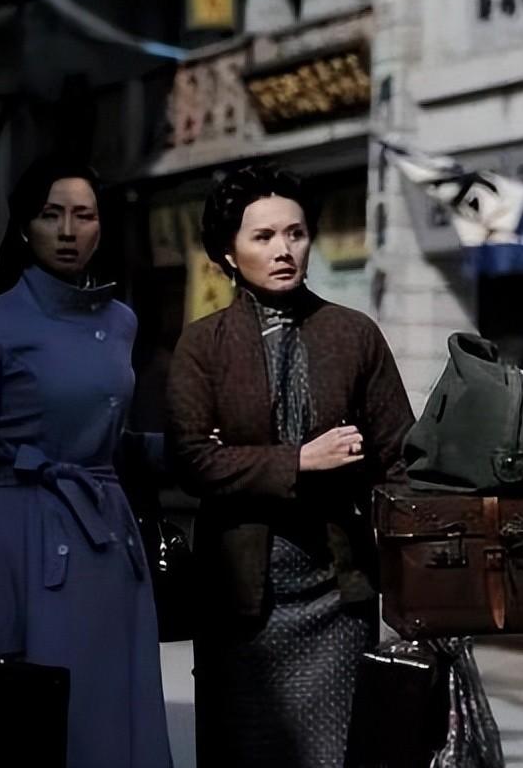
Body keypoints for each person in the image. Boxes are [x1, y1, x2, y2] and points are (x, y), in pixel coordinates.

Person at [166, 164, 414, 767]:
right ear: (229, 253)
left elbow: (399, 458)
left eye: (296, 233)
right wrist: (300, 460)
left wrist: (413, 580)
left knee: (339, 752)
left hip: (338, 590)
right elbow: (193, 460)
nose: (284, 250)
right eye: (264, 236)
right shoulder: (203, 345)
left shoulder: (353, 334)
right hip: (241, 595)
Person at [0, 158, 172, 768]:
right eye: (50, 215)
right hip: (26, 540)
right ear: (23, 227)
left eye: (83, 216)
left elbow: (110, 442)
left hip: (109, 538)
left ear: (101, 227)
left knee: (115, 717)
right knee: (43, 720)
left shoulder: (120, 322)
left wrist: (192, 448)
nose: (67, 231)